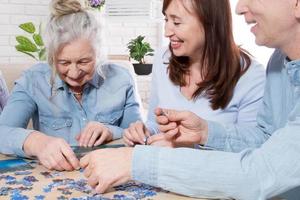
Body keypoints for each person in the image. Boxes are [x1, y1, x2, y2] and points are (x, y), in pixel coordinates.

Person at [79, 0, 300, 199]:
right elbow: (265, 139)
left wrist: (134, 162)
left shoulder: (254, 73)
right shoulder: (279, 62)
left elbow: (260, 173)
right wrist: (205, 133)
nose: (239, 7)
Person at [0, 0, 142, 171]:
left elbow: (139, 135)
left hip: (111, 176)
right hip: (54, 180)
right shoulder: (33, 80)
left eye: (84, 61)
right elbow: (2, 132)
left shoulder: (121, 79)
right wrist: (36, 141)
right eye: (64, 62)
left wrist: (111, 131)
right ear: (52, 57)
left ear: (99, 54)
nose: (74, 73)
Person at [123, 0, 265, 147]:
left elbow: (253, 147)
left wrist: (187, 147)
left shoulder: (250, 75)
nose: (167, 32)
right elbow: (154, 122)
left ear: (210, 23)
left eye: (177, 22)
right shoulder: (163, 58)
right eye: (166, 19)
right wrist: (144, 131)